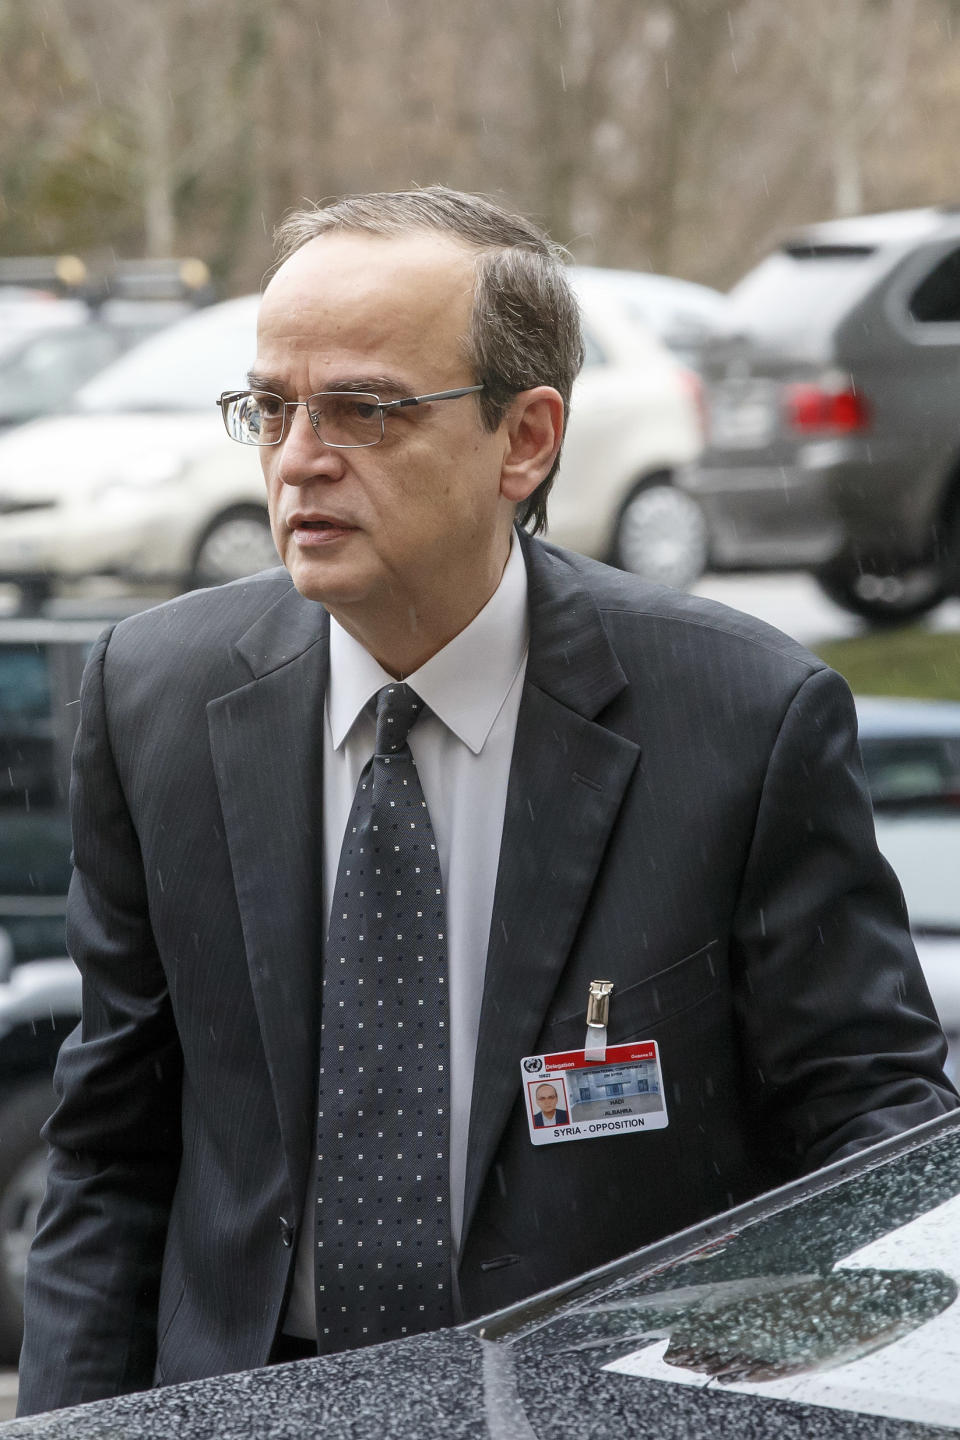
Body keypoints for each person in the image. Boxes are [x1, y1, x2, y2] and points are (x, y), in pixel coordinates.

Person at [18, 186, 957, 1415]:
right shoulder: (154, 697)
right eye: (273, 407)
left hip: (610, 1403)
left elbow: (876, 1136)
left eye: (365, 409)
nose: (300, 457)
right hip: (244, 1402)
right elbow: (109, 1155)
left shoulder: (740, 717)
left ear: (526, 437)